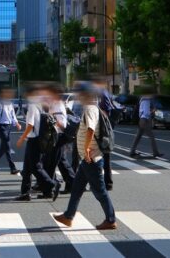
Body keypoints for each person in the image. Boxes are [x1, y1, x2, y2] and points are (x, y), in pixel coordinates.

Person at [54, 82, 116, 231]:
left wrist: (87, 148)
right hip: (87, 158)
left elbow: (90, 129)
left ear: (86, 95)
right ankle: (68, 216)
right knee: (76, 188)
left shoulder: (90, 109)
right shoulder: (91, 108)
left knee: (99, 190)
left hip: (91, 158)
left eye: (80, 94)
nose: (78, 97)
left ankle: (110, 219)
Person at [15, 85, 60, 201]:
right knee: (27, 168)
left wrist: (21, 138)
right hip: (38, 139)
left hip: (33, 140)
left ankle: (52, 184)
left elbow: (30, 125)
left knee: (36, 167)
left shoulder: (32, 106)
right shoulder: (41, 105)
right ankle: (25, 193)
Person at [44, 83, 75, 192]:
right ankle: (71, 184)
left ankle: (50, 186)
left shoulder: (58, 105)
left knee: (52, 162)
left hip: (58, 136)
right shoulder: (54, 104)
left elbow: (62, 125)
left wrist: (52, 120)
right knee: (62, 162)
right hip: (56, 136)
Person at [0, 87, 21, 174]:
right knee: (8, 147)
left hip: (8, 127)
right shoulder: (0, 105)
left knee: (4, 148)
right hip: (1, 128)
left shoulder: (10, 104)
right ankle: (12, 168)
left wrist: (17, 124)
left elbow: (13, 116)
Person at [129, 93, 162, 158]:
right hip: (145, 120)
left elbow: (142, 111)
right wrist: (152, 112)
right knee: (151, 136)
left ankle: (132, 151)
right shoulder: (146, 101)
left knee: (138, 136)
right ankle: (155, 152)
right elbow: (146, 112)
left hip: (142, 119)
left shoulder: (142, 99)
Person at [97, 81, 116, 190]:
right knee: (101, 156)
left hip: (103, 129)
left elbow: (107, 110)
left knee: (104, 155)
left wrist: (98, 111)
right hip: (101, 128)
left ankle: (107, 183)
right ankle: (105, 182)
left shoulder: (102, 94)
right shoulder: (101, 93)